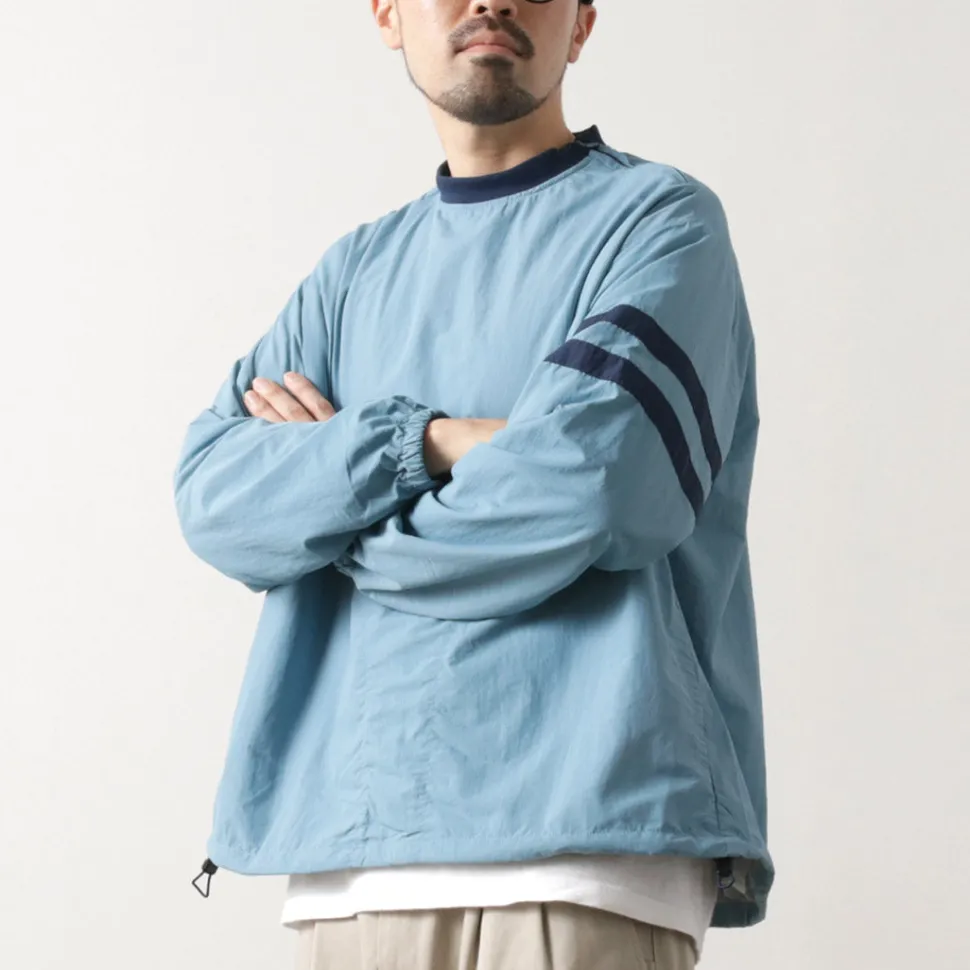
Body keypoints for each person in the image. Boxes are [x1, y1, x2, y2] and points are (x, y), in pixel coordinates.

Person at [173, 0, 774, 967]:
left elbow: (593, 489)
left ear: (582, 24)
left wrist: (336, 516)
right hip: (353, 850)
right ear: (387, 15)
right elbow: (216, 498)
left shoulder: (660, 222)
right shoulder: (353, 272)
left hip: (585, 843)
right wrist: (431, 442)